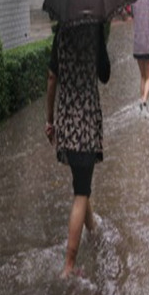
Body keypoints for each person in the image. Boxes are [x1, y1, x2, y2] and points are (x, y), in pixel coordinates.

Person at [45, 22, 110, 279]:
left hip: (66, 122)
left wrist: (50, 120)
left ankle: (93, 230)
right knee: (81, 192)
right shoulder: (94, 27)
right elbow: (104, 75)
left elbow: (52, 77)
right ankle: (69, 267)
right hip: (86, 122)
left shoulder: (62, 30)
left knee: (82, 181)